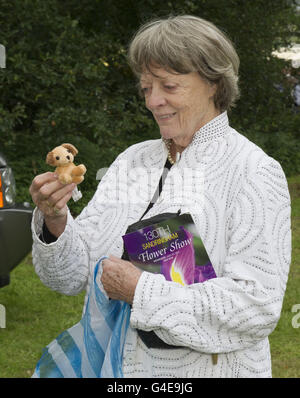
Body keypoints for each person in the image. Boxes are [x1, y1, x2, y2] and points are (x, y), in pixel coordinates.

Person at [29, 15, 291, 378]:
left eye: (169, 86)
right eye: (146, 88)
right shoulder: (132, 160)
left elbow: (256, 308)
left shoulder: (253, 171)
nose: (154, 101)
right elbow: (71, 277)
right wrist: (55, 220)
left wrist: (141, 291)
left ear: (214, 83)